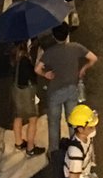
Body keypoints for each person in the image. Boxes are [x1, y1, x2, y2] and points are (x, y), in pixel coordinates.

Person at [38, 24, 98, 152]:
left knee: (54, 123)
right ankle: (74, 147)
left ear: (54, 36)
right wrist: (83, 69)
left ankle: (54, 151)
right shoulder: (75, 47)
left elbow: (37, 69)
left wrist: (46, 74)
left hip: (55, 92)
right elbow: (93, 58)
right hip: (72, 89)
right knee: (73, 120)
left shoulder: (50, 52)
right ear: (67, 35)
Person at [11, 39, 44, 156]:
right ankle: (30, 148)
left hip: (16, 91)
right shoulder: (25, 61)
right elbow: (32, 76)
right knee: (33, 119)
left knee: (18, 116)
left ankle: (18, 142)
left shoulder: (15, 58)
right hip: (27, 93)